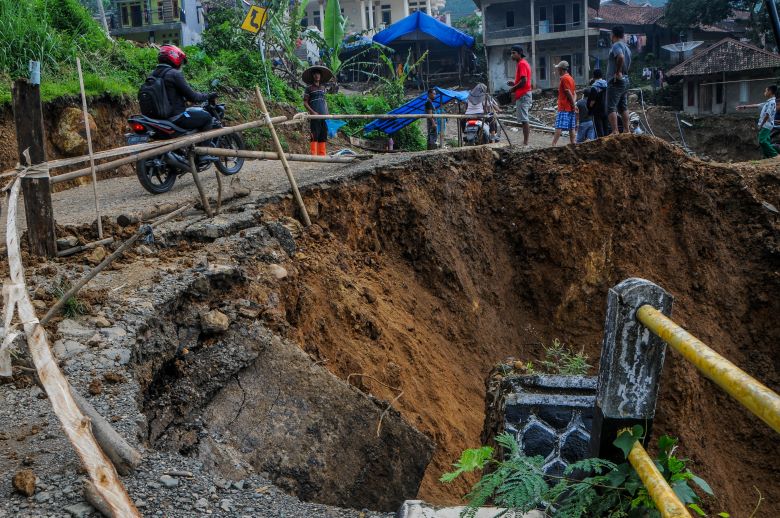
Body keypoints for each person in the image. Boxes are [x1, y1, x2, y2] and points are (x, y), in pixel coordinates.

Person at [148, 45, 218, 163]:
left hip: (158, 119)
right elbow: (193, 97)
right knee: (206, 118)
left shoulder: (152, 74)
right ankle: (203, 154)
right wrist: (208, 95)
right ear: (174, 58)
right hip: (175, 118)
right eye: (180, 61)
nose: (181, 64)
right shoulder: (174, 74)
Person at [737, 84, 779, 159]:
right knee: (766, 141)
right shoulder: (768, 102)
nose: (764, 92)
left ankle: (775, 155)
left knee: (762, 141)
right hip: (767, 125)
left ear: (770, 91)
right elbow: (756, 105)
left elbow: (767, 115)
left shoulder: (772, 102)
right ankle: (768, 157)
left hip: (766, 125)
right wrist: (743, 107)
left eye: (765, 91)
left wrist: (761, 125)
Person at [606, 26, 632, 135]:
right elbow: (626, 62)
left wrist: (617, 72)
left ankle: (615, 131)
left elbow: (620, 57)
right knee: (623, 106)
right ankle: (627, 130)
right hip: (625, 79)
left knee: (611, 107)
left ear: (613, 35)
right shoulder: (627, 48)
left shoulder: (616, 45)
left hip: (616, 80)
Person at [303, 65, 333, 156]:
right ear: (313, 76)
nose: (317, 76)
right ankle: (314, 156)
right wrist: (312, 112)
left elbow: (324, 102)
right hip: (314, 116)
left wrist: (327, 113)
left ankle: (322, 156)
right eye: (315, 74)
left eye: (318, 74)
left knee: (323, 135)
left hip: (324, 116)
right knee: (314, 135)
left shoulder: (323, 88)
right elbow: (305, 102)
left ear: (320, 76)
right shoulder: (309, 88)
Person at [506, 45, 532, 146]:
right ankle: (525, 142)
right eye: (511, 53)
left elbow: (524, 81)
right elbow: (522, 80)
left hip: (523, 94)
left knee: (524, 119)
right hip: (523, 93)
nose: (512, 55)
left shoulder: (522, 64)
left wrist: (513, 88)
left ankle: (525, 143)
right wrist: (514, 83)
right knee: (523, 119)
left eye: (514, 53)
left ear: (519, 53)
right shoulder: (522, 64)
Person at [552, 61, 576, 146]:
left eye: (558, 69)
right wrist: (574, 105)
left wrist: (573, 105)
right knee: (571, 127)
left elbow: (568, 92)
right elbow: (574, 93)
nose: (557, 70)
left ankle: (553, 144)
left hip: (564, 107)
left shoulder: (564, 78)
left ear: (561, 69)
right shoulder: (571, 78)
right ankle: (573, 143)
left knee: (559, 126)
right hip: (570, 107)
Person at [589, 69, 609, 137]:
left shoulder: (594, 87)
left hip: (597, 111)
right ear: (601, 75)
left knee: (599, 131)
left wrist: (589, 107)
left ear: (594, 76)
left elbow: (592, 102)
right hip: (607, 109)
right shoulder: (607, 84)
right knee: (606, 129)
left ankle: (601, 145)